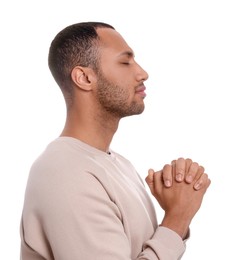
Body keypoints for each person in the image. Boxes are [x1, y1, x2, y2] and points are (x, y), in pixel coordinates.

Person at [20, 22, 211, 260]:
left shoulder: (119, 165)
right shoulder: (64, 171)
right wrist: (178, 218)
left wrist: (177, 204)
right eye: (125, 62)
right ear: (84, 78)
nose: (142, 73)